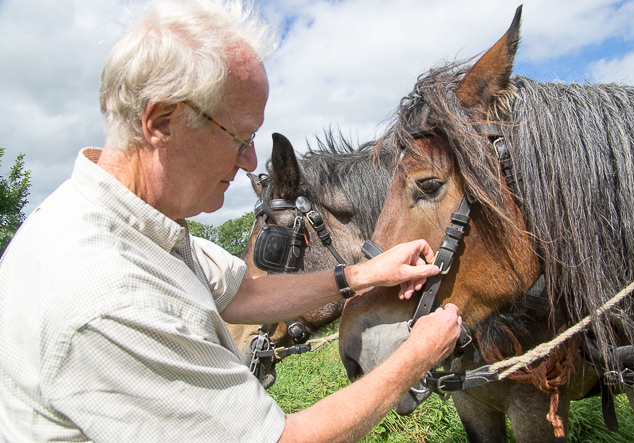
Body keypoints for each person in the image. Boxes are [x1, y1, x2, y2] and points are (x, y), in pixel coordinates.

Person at [0, 1, 462, 442]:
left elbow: (241, 292)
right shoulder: (107, 292)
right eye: (240, 136)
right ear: (160, 121)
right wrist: (415, 355)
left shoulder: (123, 221)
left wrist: (364, 274)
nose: (251, 160)